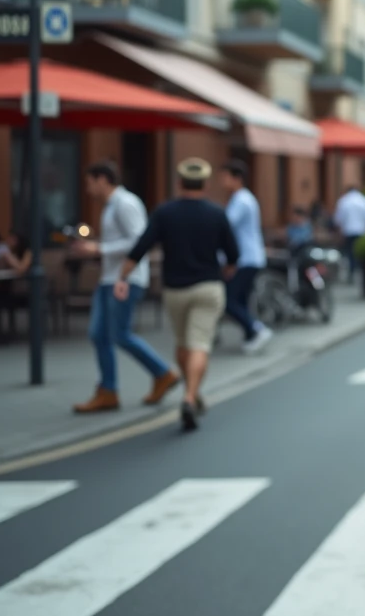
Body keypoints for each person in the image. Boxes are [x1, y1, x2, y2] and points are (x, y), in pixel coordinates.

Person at [115, 158, 239, 432]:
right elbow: (233, 253)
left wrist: (123, 277)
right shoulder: (217, 213)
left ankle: (191, 393)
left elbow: (141, 246)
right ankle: (190, 396)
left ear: (179, 183)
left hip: (175, 290)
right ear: (205, 184)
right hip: (208, 286)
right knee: (200, 345)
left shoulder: (165, 212)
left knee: (183, 344)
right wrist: (229, 269)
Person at [71, 162, 180, 414]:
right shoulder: (112, 206)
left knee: (119, 334)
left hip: (124, 279)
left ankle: (162, 372)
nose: (88, 188)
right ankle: (108, 390)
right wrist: (96, 247)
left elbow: (138, 239)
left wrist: (99, 248)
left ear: (102, 180)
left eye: (90, 182)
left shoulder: (125, 203)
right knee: (99, 335)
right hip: (110, 278)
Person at [220, 160, 273, 355]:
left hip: (245, 258)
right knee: (239, 299)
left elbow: (226, 226)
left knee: (229, 300)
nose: (222, 181)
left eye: (225, 177)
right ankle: (251, 334)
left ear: (237, 178)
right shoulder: (242, 198)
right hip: (249, 257)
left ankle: (256, 329)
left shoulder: (241, 200)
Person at [333, 185, 365, 282]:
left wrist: (339, 232)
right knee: (360, 253)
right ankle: (361, 272)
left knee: (350, 253)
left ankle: (352, 272)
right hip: (362, 231)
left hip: (348, 231)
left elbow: (338, 219)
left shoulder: (343, 201)